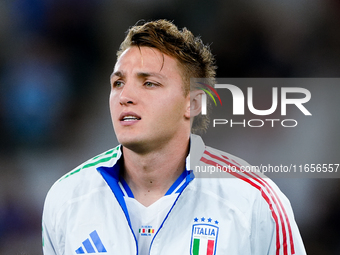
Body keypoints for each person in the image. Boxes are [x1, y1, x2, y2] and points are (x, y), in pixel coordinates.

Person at [42, 19, 306, 255]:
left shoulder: (256, 201)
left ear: (192, 103)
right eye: (118, 83)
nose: (125, 97)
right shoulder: (66, 198)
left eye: (149, 83)